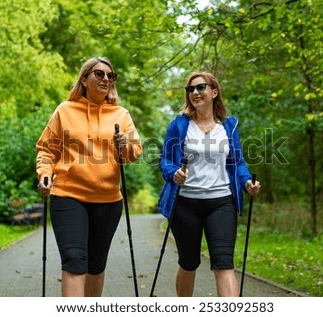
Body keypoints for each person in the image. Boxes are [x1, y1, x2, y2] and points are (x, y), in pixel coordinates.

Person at [36, 57, 142, 297]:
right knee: (74, 260)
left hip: (108, 200)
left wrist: (125, 144)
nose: (106, 79)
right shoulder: (65, 110)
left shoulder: (121, 114)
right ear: (84, 79)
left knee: (95, 266)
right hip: (68, 195)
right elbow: (46, 150)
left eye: (110, 75)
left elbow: (134, 154)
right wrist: (45, 174)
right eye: (99, 74)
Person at [158, 72, 261, 297]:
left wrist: (247, 183)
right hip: (185, 203)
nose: (195, 92)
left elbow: (238, 162)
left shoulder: (229, 127)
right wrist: (173, 173)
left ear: (214, 92)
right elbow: (165, 160)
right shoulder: (179, 125)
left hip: (221, 202)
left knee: (224, 264)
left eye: (200, 87)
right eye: (190, 89)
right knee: (189, 262)